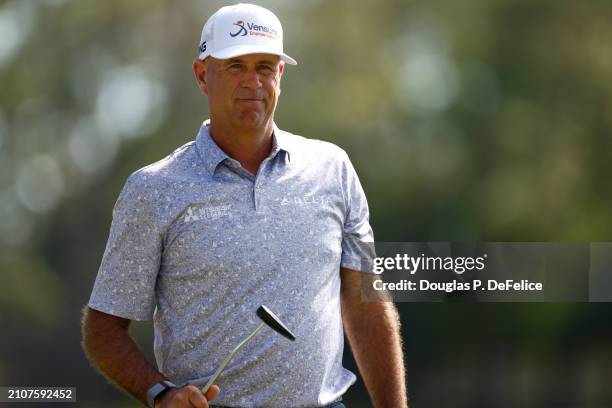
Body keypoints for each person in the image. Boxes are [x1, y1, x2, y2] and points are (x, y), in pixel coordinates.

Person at [81, 3, 407, 408]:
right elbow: (103, 329)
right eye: (236, 66)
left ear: (280, 75)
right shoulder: (155, 189)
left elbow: (364, 303)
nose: (253, 81)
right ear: (203, 75)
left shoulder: (332, 169)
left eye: (265, 66)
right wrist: (160, 393)